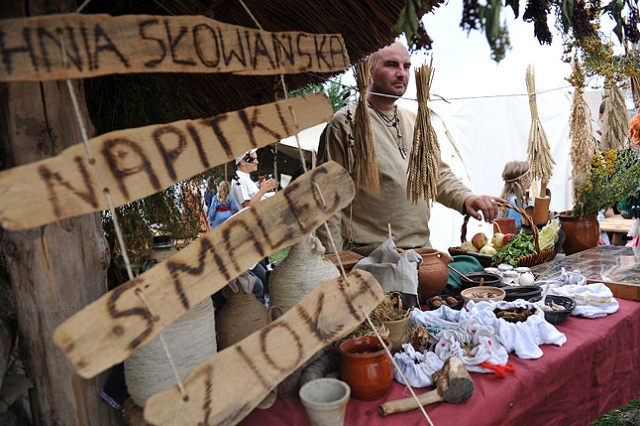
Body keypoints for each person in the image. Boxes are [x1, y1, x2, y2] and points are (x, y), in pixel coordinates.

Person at [317, 41, 504, 253]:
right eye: (391, 65)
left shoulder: (416, 122)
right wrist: (333, 262)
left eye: (406, 66)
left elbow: (437, 175)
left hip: (421, 251)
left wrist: (467, 198)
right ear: (368, 71)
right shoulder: (346, 123)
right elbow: (328, 199)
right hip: (369, 256)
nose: (401, 73)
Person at [499, 161, 532, 228]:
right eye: (531, 176)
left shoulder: (502, 201)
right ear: (522, 181)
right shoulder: (526, 203)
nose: (531, 180)